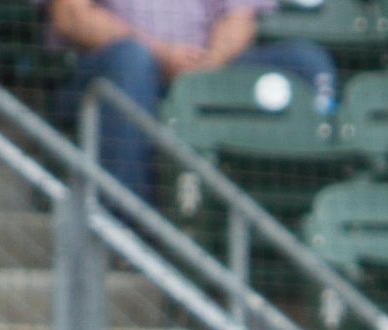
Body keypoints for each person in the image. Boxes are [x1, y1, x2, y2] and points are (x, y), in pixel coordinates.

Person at [53, 0, 339, 201]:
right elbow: (70, 14)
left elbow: (240, 16)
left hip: (207, 66)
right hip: (112, 73)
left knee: (306, 64)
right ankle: (127, 226)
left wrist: (211, 61)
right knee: (131, 59)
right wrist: (160, 53)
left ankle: (321, 210)